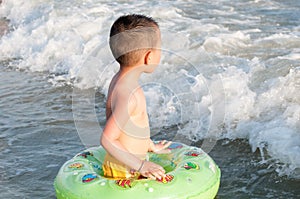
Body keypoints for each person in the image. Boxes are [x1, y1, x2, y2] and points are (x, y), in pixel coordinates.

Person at [100, 14, 171, 180]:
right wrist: (141, 165)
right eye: (159, 48)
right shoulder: (129, 95)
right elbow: (107, 139)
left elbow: (129, 128)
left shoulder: (120, 80)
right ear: (149, 57)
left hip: (126, 163)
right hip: (126, 170)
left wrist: (150, 145)